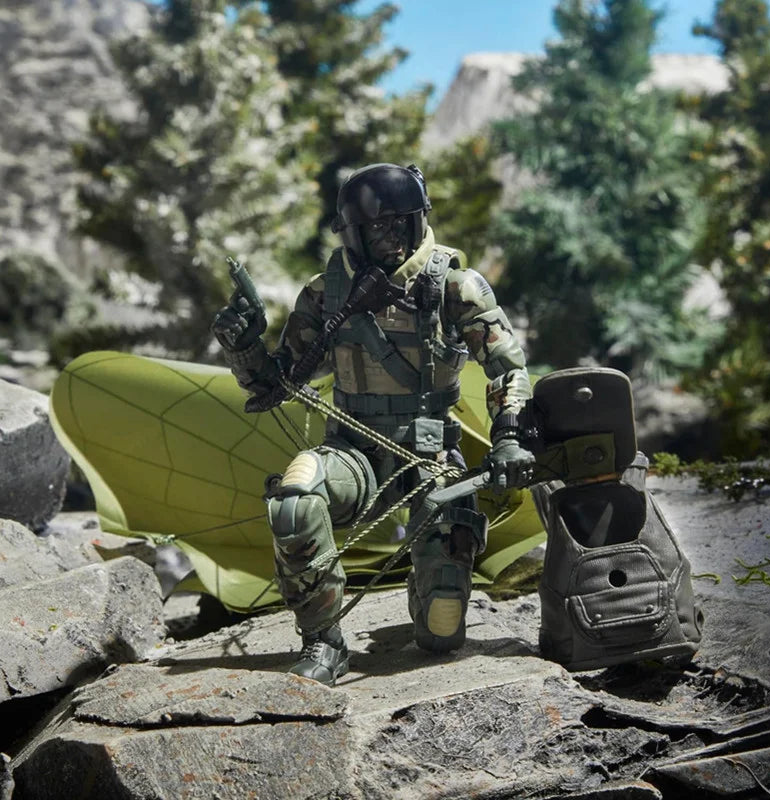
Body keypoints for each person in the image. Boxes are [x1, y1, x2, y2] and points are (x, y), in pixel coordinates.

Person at [212, 163, 535, 686]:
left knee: (442, 629)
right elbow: (276, 385)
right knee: (295, 500)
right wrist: (244, 346)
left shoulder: (455, 286)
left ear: (418, 221)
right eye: (375, 229)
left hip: (430, 459)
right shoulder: (326, 293)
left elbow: (507, 369)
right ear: (351, 233)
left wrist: (510, 436)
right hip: (353, 452)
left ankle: (428, 585)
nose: (389, 239)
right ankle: (324, 642)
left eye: (398, 225)